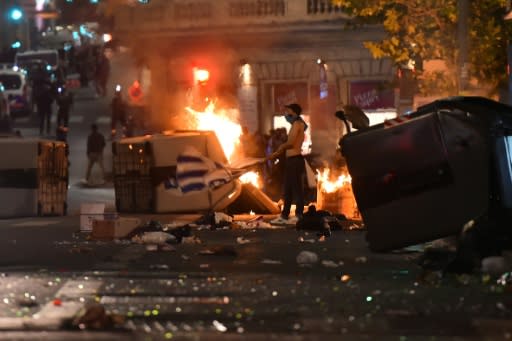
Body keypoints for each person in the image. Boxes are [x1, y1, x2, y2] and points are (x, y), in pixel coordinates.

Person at [268, 103, 308, 225]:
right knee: (288, 189)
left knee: (296, 189)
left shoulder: (297, 124)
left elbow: (290, 143)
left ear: (294, 113)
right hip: (292, 161)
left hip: (295, 160)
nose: (286, 114)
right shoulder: (297, 124)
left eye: (288, 111)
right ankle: (284, 215)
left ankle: (299, 215)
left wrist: (280, 148)